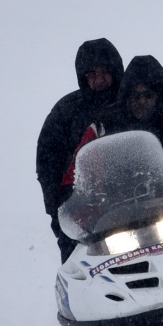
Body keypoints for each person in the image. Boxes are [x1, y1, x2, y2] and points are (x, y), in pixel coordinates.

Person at [62, 55, 163, 192]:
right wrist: (77, 190)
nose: (142, 101)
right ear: (127, 98)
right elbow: (78, 167)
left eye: (148, 95)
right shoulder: (104, 126)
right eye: (135, 96)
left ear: (158, 97)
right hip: (114, 206)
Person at [36, 38, 124, 261]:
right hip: (86, 211)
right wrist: (60, 212)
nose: (100, 79)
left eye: (105, 72)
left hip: (135, 202)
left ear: (115, 71)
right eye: (92, 74)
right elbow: (48, 164)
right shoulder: (66, 112)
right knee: (79, 265)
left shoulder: (133, 101)